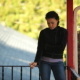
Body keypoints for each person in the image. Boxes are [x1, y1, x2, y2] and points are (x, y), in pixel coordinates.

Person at [29, 11, 68, 80]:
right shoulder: (43, 32)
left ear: (57, 20)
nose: (50, 25)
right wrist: (36, 61)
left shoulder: (63, 32)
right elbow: (40, 48)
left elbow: (61, 48)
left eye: (52, 23)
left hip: (58, 62)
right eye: (48, 23)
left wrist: (46, 46)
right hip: (44, 62)